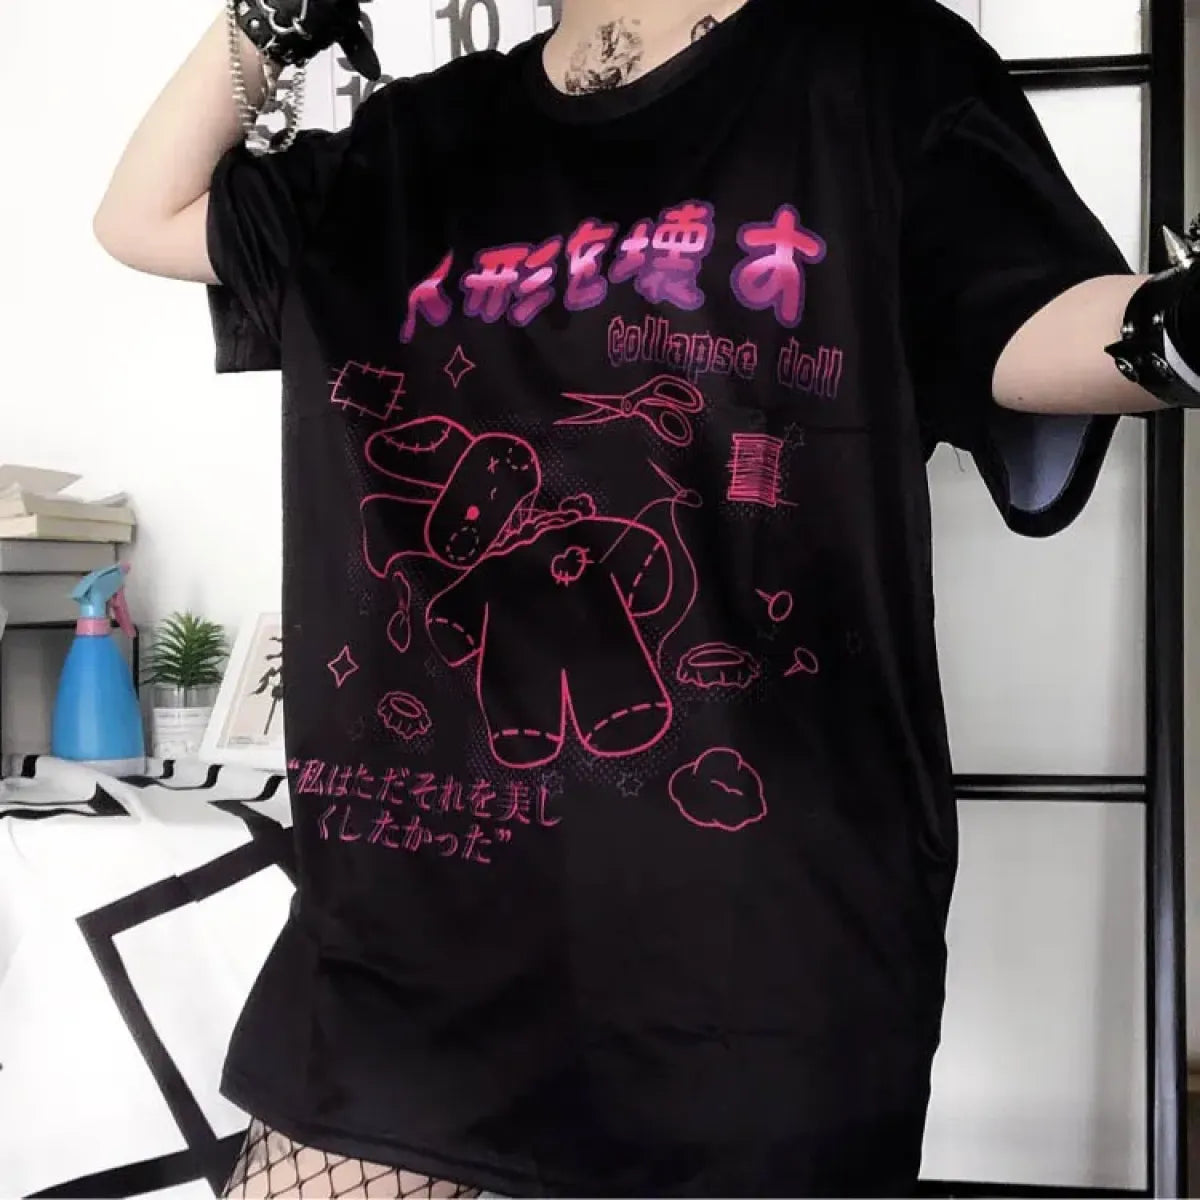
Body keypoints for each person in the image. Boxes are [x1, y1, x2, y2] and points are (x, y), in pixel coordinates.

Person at [94, 0, 1199, 1195]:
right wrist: (281, 15)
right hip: (417, 919)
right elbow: (144, 217)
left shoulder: (870, 69)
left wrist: (1175, 329)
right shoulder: (415, 142)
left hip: (750, 941)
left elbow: (1016, 318)